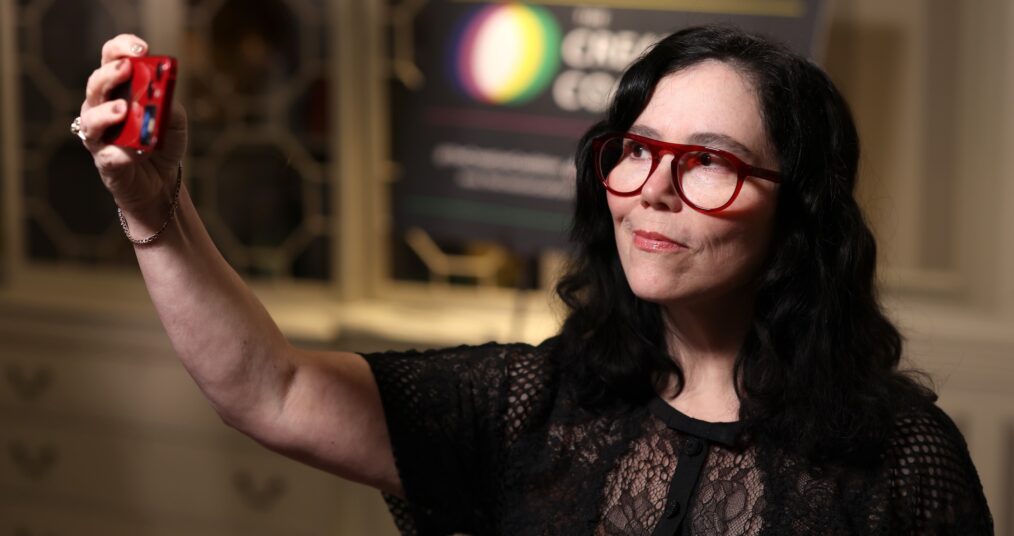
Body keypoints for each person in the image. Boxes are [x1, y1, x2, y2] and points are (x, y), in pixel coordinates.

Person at [75, 25, 992, 535]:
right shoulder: (534, 405)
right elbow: (267, 389)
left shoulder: (900, 462)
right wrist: (155, 209)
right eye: (637, 150)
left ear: (800, 213)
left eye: (710, 162)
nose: (654, 189)